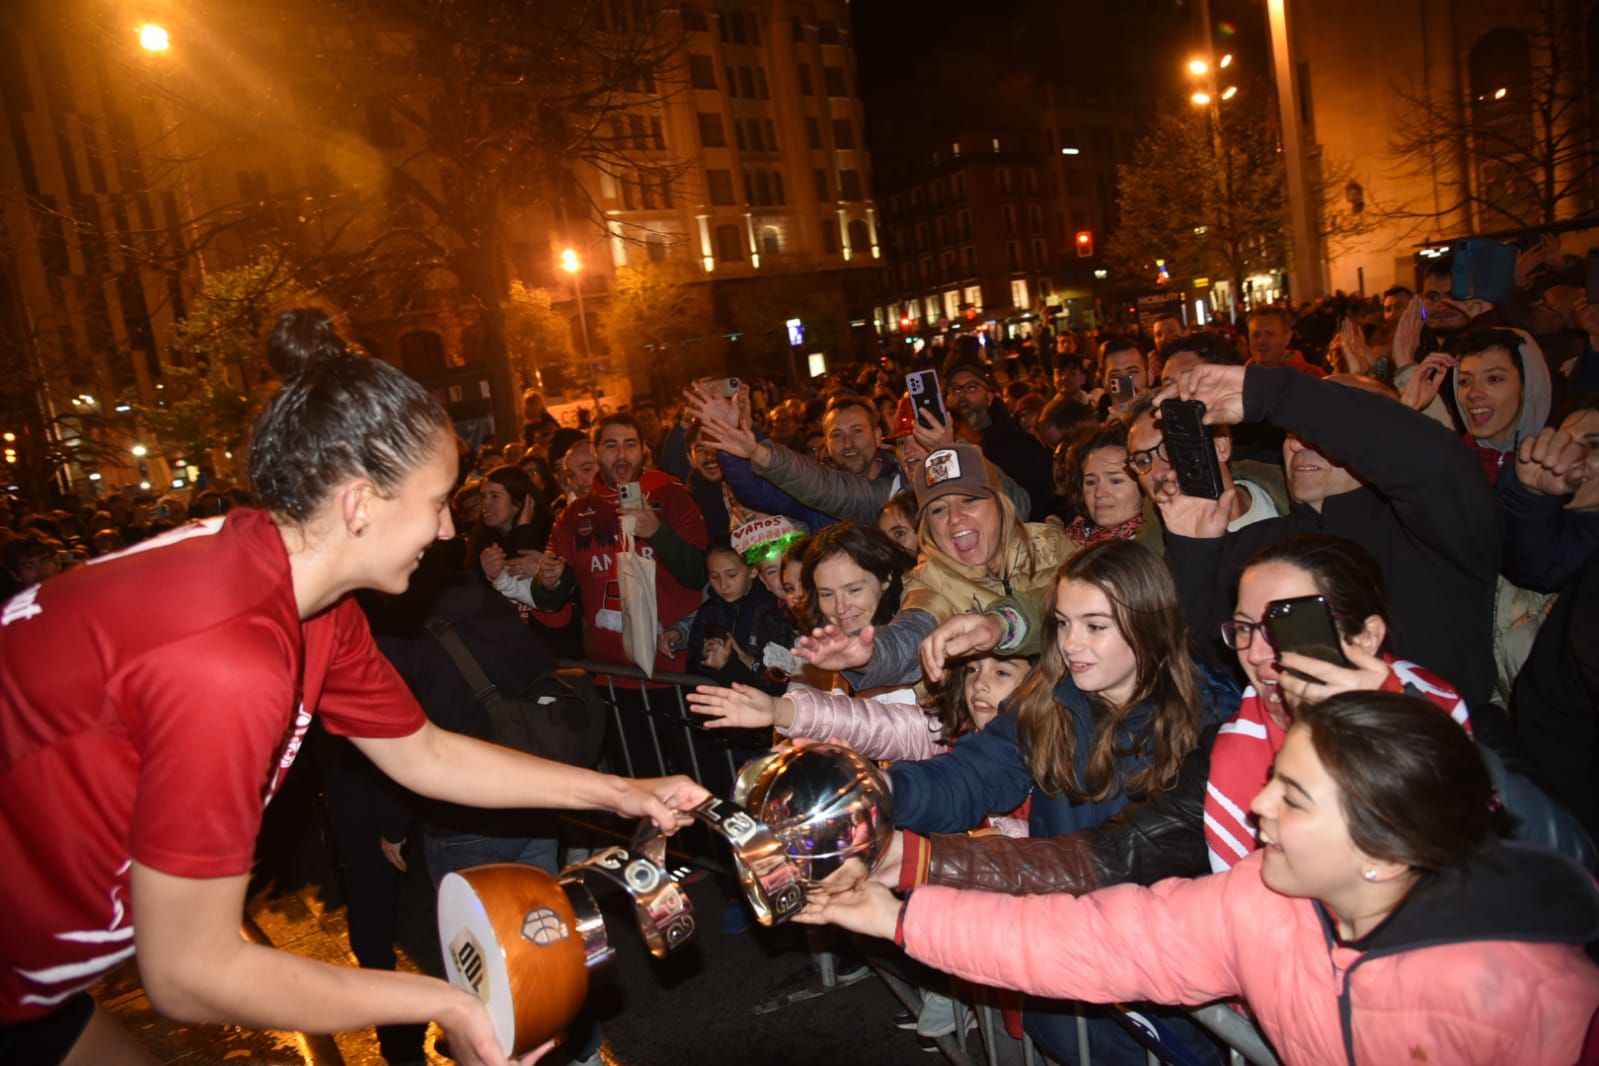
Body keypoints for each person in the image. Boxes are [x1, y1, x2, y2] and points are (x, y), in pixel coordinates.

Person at [0, 309, 705, 1066]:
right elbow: (190, 973)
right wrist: (447, 1003)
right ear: (359, 503)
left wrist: (621, 794)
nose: (444, 533)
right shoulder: (225, 657)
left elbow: (425, 754)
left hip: (35, 991)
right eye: (436, 504)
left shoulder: (302, 592)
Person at [809, 692, 1599, 1066]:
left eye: (1291, 796)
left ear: (1386, 848)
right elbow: (1089, 939)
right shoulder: (1262, 901)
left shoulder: (1524, 990)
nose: (1254, 806)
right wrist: (893, 917)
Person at [880, 540, 1238, 1062]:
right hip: (1067, 979)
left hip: (1166, 995)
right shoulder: (1048, 700)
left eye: (1095, 626)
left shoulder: (1205, 723)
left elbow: (1121, 857)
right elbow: (970, 776)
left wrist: (921, 863)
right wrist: (883, 791)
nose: (1072, 644)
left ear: (1149, 625)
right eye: (1064, 624)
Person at [1154, 361, 1503, 712]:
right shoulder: (1261, 548)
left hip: (1434, 752)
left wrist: (1275, 393)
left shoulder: (1436, 534)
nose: (1300, 445)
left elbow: (1435, 464)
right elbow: (1199, 656)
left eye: (1322, 432)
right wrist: (1194, 548)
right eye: (1292, 431)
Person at [795, 443, 1074, 692]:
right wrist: (871, 656)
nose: (954, 518)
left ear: (1000, 503)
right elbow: (913, 634)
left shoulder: (1047, 545)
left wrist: (1001, 624)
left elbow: (1077, 607)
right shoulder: (929, 580)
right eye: (938, 509)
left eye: (969, 499)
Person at [527, 413, 708, 674]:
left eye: (630, 444)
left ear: (644, 449)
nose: (621, 454)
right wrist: (546, 582)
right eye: (611, 445)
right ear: (595, 451)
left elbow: (700, 575)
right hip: (612, 673)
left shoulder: (674, 498)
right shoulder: (572, 517)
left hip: (675, 667)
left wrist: (657, 532)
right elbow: (550, 598)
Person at [1057, 422, 1161, 550]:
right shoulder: (1067, 540)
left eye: (1116, 481)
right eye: (1091, 482)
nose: (1099, 493)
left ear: (1144, 486)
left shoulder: (1153, 550)